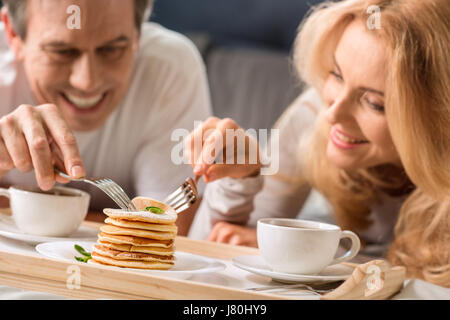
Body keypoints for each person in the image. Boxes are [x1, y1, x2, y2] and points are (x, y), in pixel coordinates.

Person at [185, 0, 450, 287]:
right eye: (336, 75)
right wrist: (239, 180)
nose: (333, 113)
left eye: (374, 103)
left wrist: (312, 257)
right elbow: (202, 257)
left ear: (437, 115)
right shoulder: (314, 113)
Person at [0, 0, 212, 233]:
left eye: (112, 49)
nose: (87, 81)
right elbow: (149, 228)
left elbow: (166, 231)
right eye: (62, 52)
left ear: (138, 34)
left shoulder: (170, 69)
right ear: (12, 33)